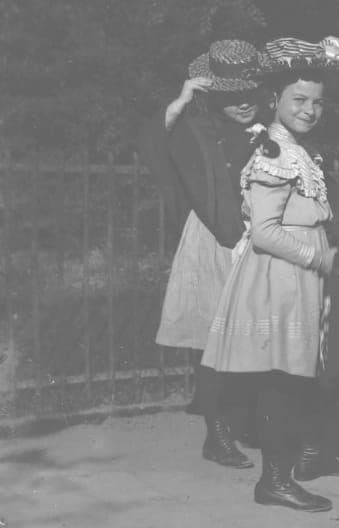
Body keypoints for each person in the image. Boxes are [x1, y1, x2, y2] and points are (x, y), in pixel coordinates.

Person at [202, 35, 339, 513]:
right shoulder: (273, 153)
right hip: (281, 276)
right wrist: (320, 259)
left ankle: (286, 469)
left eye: (317, 102)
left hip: (300, 275)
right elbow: (266, 232)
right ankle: (274, 480)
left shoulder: (298, 151)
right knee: (281, 380)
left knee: (294, 378)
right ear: (275, 100)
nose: (310, 109)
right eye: (299, 99)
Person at [138, 39, 263, 470]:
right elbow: (154, 145)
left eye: (251, 93)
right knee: (214, 341)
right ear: (214, 96)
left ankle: (247, 421)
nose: (244, 103)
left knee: (256, 337)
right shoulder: (195, 129)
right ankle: (218, 433)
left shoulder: (265, 131)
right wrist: (181, 100)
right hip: (213, 239)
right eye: (232, 96)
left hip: (259, 239)